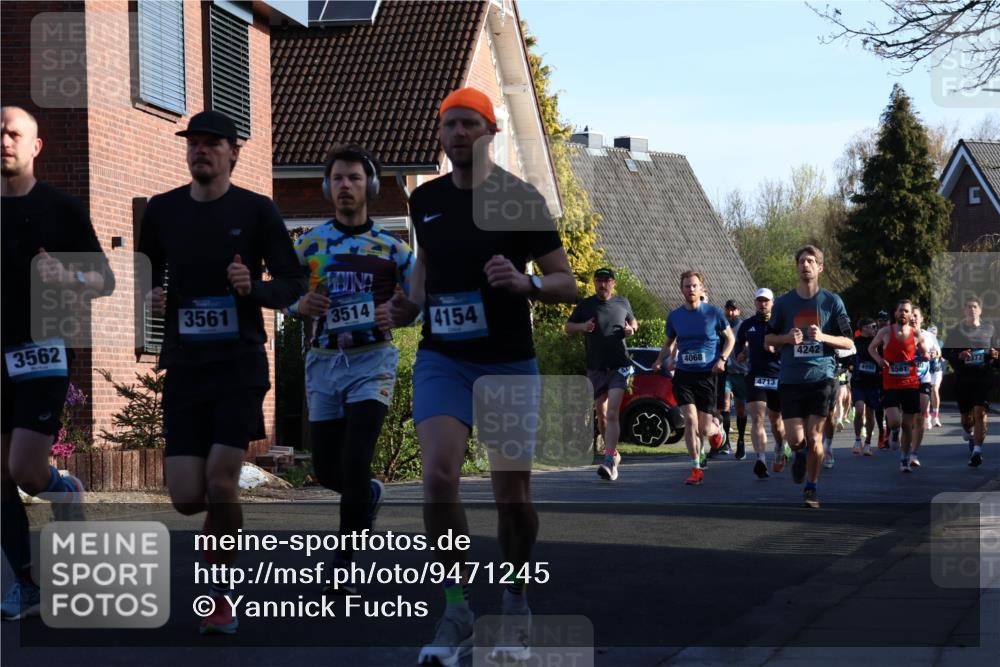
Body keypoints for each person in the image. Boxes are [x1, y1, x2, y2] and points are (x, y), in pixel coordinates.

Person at [377, 87, 577, 665]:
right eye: (450, 125)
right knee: (439, 476)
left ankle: (515, 601)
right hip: (445, 359)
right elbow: (424, 278)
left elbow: (566, 283)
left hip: (508, 362)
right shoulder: (427, 201)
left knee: (512, 495)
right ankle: (457, 607)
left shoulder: (521, 199)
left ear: (489, 132)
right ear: (440, 136)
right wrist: (405, 308)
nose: (459, 133)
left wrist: (527, 283)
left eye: (470, 124)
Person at [138, 110, 306, 634]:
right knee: (188, 497)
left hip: (239, 364)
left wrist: (251, 287)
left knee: (221, 481)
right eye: (194, 143)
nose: (201, 151)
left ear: (234, 152)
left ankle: (220, 594)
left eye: (212, 144)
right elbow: (146, 270)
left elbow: (293, 283)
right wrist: (154, 294)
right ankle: (218, 532)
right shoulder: (163, 210)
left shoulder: (257, 211)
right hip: (186, 366)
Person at [1, 106, 114, 621]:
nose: (4, 140)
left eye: (13, 133)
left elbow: (104, 281)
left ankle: (62, 488)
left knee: (25, 470)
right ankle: (24, 584)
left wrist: (66, 275)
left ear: (34, 146)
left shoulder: (61, 208)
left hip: (43, 349)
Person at [285, 144, 413, 592]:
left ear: (370, 187)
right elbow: (280, 290)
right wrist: (298, 303)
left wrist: (398, 311)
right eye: (337, 178)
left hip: (372, 362)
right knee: (327, 469)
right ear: (327, 186)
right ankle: (369, 494)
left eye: (354, 178)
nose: (345, 186)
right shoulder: (309, 244)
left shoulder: (393, 249)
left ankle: (347, 558)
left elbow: (416, 303)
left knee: (356, 458)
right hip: (323, 364)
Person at [764, 246, 853, 509]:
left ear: (820, 267)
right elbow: (767, 339)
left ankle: (811, 488)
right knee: (795, 439)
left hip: (822, 378)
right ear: (797, 267)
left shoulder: (832, 302)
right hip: (791, 379)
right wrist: (786, 339)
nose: (806, 265)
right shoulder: (783, 303)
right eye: (801, 261)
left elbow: (848, 341)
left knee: (815, 438)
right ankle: (799, 454)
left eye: (811, 261)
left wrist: (823, 337)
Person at [653, 271, 731, 486]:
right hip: (684, 375)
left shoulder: (714, 313)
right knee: (690, 421)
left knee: (705, 429)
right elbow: (669, 343)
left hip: (706, 375)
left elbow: (730, 339)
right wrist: (660, 360)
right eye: (687, 286)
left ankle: (718, 432)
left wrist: (722, 359)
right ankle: (696, 467)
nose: (691, 289)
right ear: (682, 289)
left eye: (694, 286)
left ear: (701, 288)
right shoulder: (675, 316)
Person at [565, 267, 638, 481]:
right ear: (594, 283)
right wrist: (583, 326)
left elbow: (633, 322)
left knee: (613, 411)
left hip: (619, 366)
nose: (602, 284)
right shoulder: (585, 305)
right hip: (595, 367)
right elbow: (568, 327)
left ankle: (607, 461)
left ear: (613, 283)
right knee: (603, 415)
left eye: (606, 281)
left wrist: (631, 329)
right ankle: (613, 454)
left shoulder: (623, 303)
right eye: (598, 281)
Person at [868, 300, 927, 473]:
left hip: (910, 383)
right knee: (894, 421)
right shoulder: (885, 332)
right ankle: (893, 432)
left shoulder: (916, 334)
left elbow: (925, 352)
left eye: (906, 311)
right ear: (896, 313)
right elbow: (872, 348)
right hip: (891, 384)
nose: (903, 313)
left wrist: (926, 356)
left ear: (910, 315)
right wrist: (879, 360)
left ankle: (904, 458)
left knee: (908, 426)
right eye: (900, 310)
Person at [733, 288, 784, 478]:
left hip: (778, 376)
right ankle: (761, 460)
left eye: (766, 301)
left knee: (776, 422)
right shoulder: (747, 325)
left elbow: (789, 344)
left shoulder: (780, 324)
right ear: (755, 303)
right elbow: (739, 343)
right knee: (757, 419)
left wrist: (777, 348)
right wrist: (741, 352)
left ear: (772, 303)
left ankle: (779, 445)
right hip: (755, 376)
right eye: (759, 301)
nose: (762, 304)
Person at [942, 296, 998, 467]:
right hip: (963, 379)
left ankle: (977, 452)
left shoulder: (990, 329)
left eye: (975, 307)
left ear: (980, 310)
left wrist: (996, 355)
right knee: (967, 418)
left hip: (983, 377)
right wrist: (958, 356)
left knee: (981, 412)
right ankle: (969, 432)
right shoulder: (956, 331)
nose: (971, 310)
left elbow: (997, 350)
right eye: (968, 307)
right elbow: (945, 352)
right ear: (964, 311)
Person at [909, 306, 939, 467]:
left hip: (923, 379)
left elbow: (938, 352)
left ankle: (914, 453)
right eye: (911, 315)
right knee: (907, 419)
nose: (913, 318)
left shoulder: (928, 336)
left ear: (921, 319)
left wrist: (934, 354)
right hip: (904, 380)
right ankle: (901, 442)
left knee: (919, 417)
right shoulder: (902, 334)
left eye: (916, 315)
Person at [718, 299, 748, 459]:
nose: (730, 312)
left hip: (741, 372)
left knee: (740, 409)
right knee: (724, 404)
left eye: (733, 310)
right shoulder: (721, 325)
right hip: (725, 372)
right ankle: (726, 442)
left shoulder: (743, 326)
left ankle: (741, 441)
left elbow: (749, 345)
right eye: (728, 309)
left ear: (738, 311)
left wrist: (747, 351)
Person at [850, 318, 881, 456]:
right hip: (858, 381)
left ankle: (868, 443)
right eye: (872, 326)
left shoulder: (878, 343)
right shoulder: (854, 343)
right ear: (863, 328)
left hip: (873, 383)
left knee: (870, 413)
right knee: (859, 409)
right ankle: (857, 440)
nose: (875, 329)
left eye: (876, 327)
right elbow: (848, 358)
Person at [927, 324, 944, 428]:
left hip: (937, 370)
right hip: (926, 370)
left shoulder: (939, 342)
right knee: (927, 391)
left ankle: (936, 416)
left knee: (935, 389)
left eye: (934, 333)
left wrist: (937, 355)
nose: (932, 335)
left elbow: (939, 352)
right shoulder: (924, 341)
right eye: (931, 333)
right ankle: (927, 416)